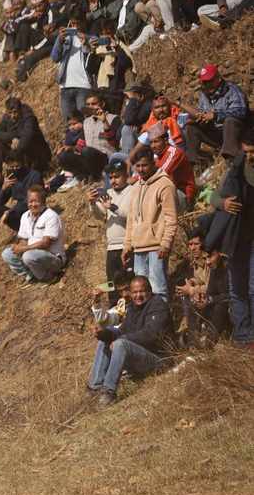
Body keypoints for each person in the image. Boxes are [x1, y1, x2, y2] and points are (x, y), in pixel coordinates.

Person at [87, 275, 173, 405]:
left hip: (159, 360)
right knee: (106, 338)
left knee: (120, 344)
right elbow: (122, 330)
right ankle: (95, 387)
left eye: (141, 291)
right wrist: (103, 334)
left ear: (149, 291)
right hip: (140, 356)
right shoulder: (133, 307)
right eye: (135, 292)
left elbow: (151, 335)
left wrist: (121, 339)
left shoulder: (158, 305)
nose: (138, 295)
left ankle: (108, 392)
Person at [208, 133, 254, 346]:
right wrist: (224, 203)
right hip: (237, 239)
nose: (250, 156)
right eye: (246, 152)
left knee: (253, 287)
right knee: (237, 288)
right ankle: (243, 336)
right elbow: (213, 197)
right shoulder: (236, 170)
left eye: (253, 152)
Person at [123, 149, 178, 301]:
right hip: (138, 247)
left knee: (158, 289)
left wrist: (166, 243)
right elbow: (131, 220)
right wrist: (127, 245)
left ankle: (162, 323)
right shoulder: (135, 188)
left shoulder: (165, 185)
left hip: (156, 246)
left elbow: (171, 218)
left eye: (144, 165)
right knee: (140, 292)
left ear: (153, 163)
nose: (141, 169)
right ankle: (145, 323)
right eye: (138, 166)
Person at [184, 63, 249, 168]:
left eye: (209, 81)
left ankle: (231, 159)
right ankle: (194, 164)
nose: (206, 85)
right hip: (216, 133)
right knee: (191, 127)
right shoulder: (203, 94)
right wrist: (198, 119)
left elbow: (241, 111)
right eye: (204, 82)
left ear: (218, 79)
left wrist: (216, 115)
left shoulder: (232, 90)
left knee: (230, 121)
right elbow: (203, 112)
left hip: (236, 134)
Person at [88, 158, 134, 305]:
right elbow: (100, 215)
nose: (113, 180)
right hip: (111, 247)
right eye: (111, 177)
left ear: (126, 175)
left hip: (127, 245)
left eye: (117, 176)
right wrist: (92, 203)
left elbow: (131, 215)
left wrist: (113, 207)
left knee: (129, 282)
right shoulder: (108, 193)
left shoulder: (132, 191)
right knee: (112, 283)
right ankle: (115, 313)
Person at [174, 229, 230, 347]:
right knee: (185, 296)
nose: (192, 248)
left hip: (216, 300)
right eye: (190, 244)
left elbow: (214, 287)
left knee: (190, 296)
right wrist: (191, 285)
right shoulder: (191, 264)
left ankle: (205, 338)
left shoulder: (212, 261)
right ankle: (192, 337)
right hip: (203, 299)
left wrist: (193, 290)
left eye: (196, 244)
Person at [1, 185, 67, 282]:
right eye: (30, 201)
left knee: (28, 256)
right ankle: (31, 276)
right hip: (31, 253)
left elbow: (46, 243)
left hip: (52, 257)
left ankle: (48, 277)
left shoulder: (51, 216)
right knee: (7, 253)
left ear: (43, 202)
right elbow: (24, 239)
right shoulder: (25, 216)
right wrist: (18, 247)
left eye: (36, 201)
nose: (32, 204)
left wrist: (23, 249)